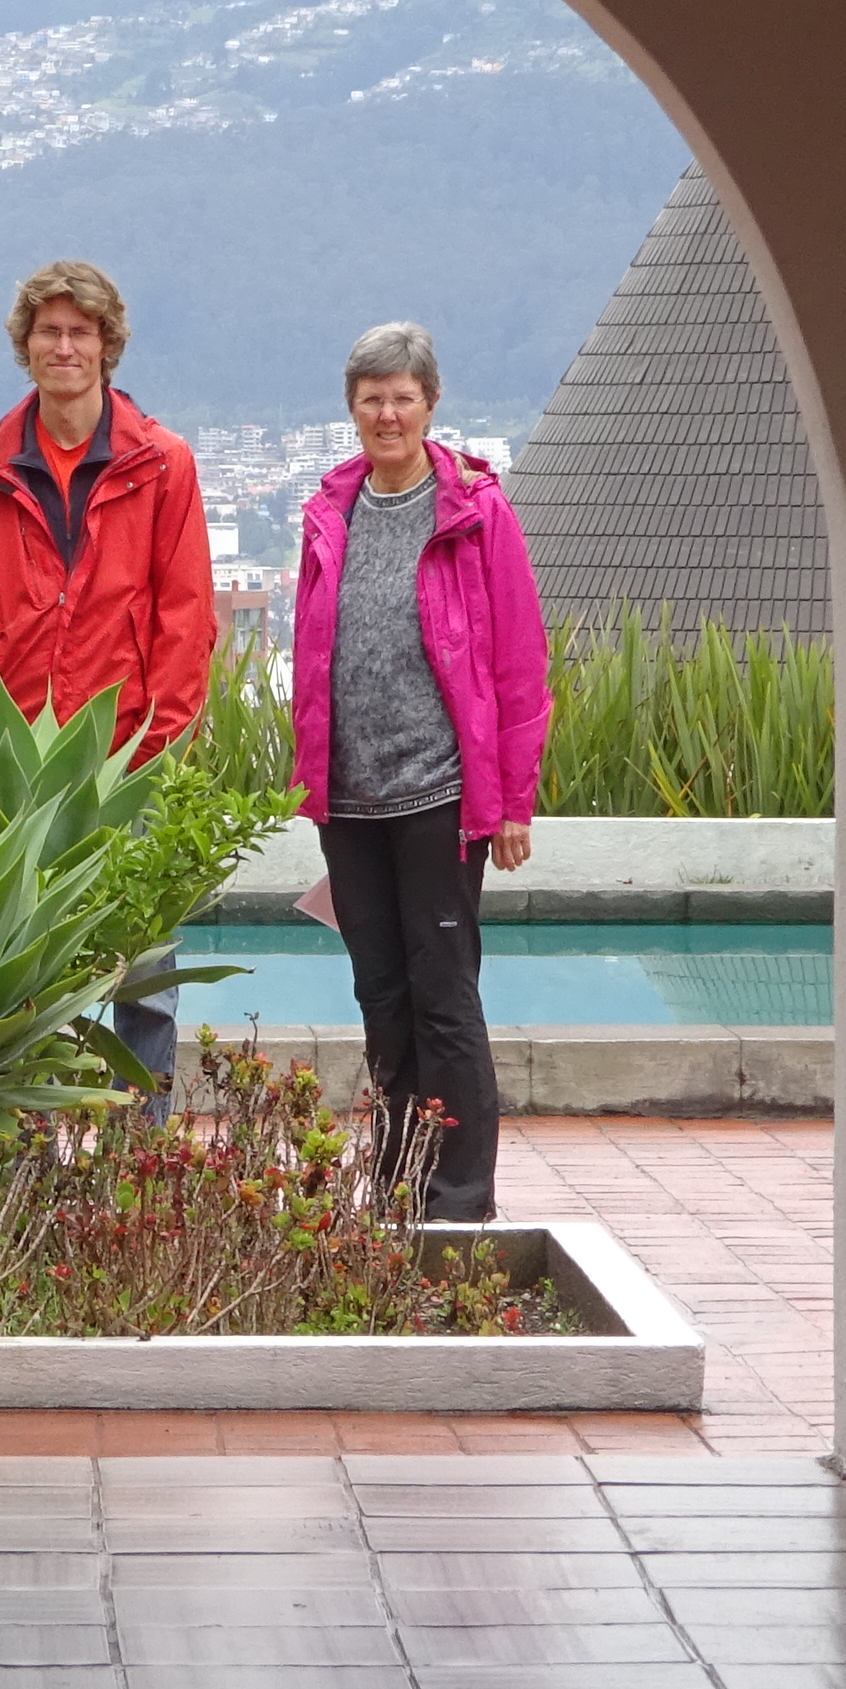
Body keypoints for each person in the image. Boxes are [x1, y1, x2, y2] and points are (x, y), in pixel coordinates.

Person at [0, 259, 217, 1093]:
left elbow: (184, 620)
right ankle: (32, 1146)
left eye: (79, 333)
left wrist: (158, 755)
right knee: (21, 979)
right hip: (16, 772)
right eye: (48, 332)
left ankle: (142, 1147)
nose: (63, 347)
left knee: (145, 977)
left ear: (106, 345)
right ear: (26, 346)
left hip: (130, 762)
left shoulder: (162, 465)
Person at [290, 321, 549, 1221]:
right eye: (372, 399)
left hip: (441, 794)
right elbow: (311, 653)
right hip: (349, 801)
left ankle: (461, 1199)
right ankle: (398, 1186)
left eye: (403, 397)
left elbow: (519, 664)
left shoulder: (476, 513)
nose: (388, 414)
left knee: (444, 997)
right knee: (381, 996)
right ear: (353, 409)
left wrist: (512, 802)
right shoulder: (330, 512)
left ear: (431, 404)